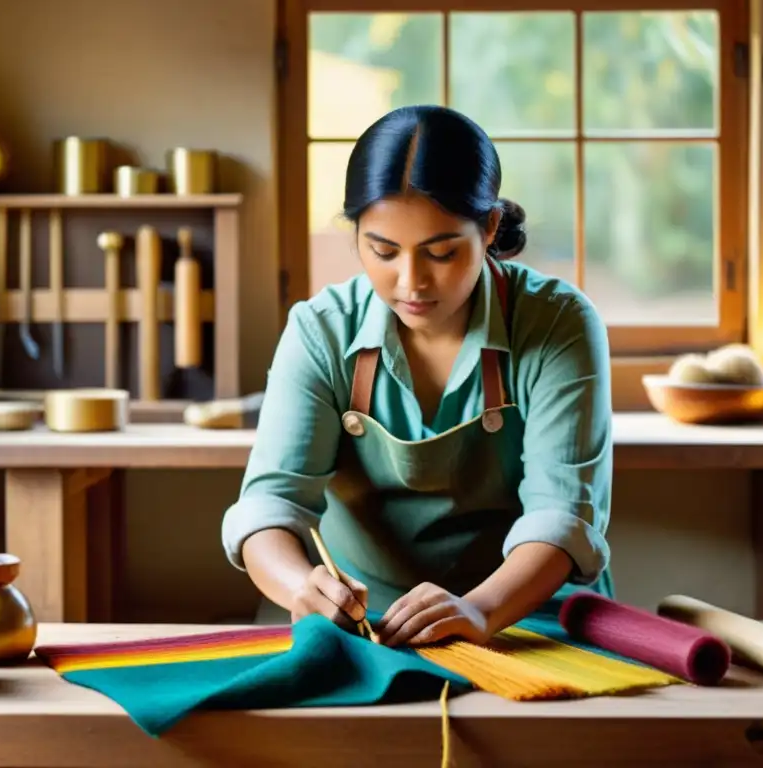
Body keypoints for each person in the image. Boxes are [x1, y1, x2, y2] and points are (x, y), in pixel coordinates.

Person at [221, 104, 613, 649]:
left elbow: (563, 515)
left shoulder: (557, 323)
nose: (411, 282)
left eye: (442, 252)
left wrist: (477, 610)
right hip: (366, 631)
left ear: (490, 226)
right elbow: (268, 507)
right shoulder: (321, 331)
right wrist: (299, 588)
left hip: (527, 623)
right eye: (383, 250)